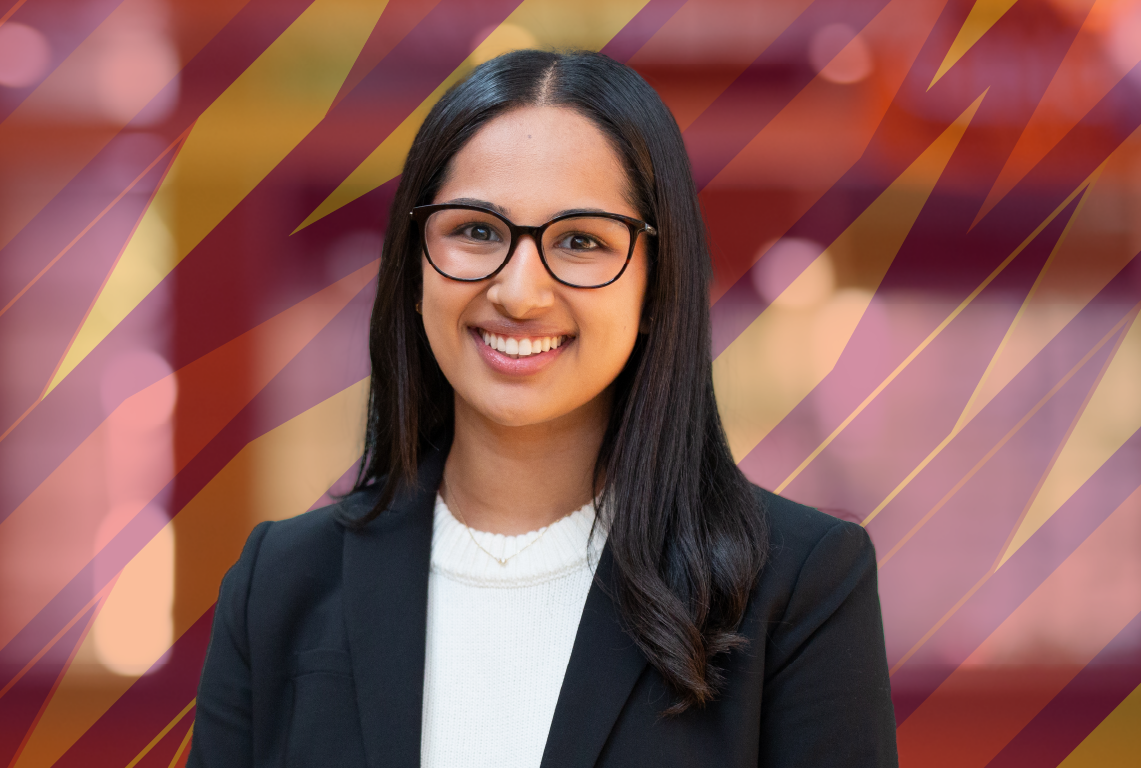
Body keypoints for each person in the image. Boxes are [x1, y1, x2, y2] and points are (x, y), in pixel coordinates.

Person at [188, 49, 897, 767]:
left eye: (581, 241)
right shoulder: (281, 584)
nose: (519, 293)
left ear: (656, 287)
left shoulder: (798, 588)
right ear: (413, 263)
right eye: (475, 231)